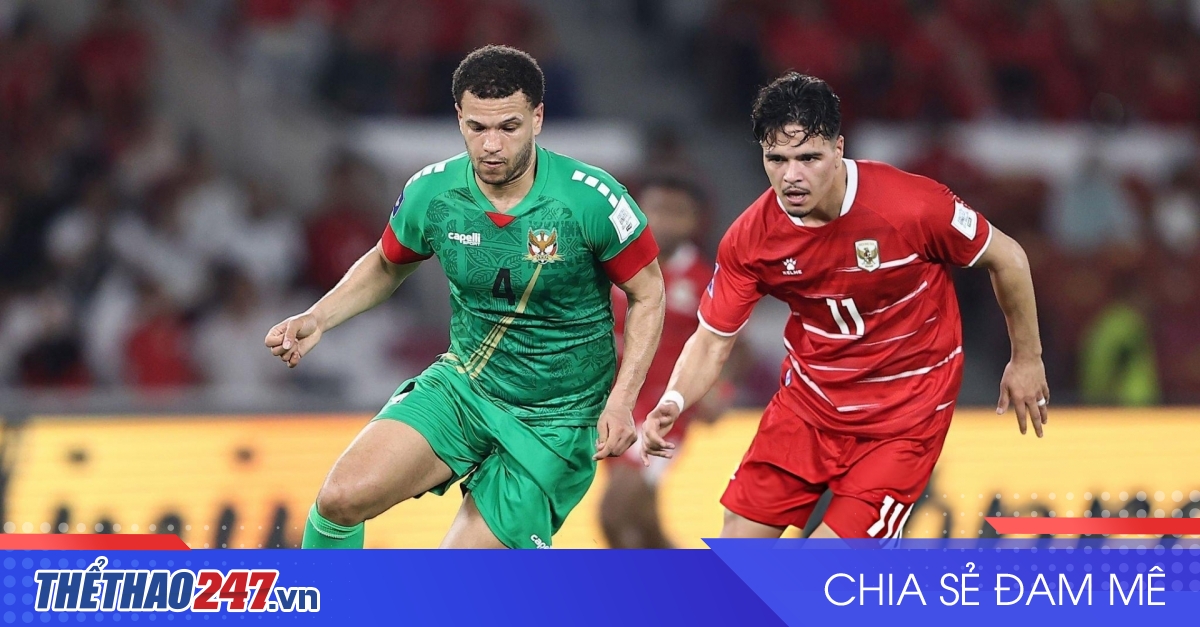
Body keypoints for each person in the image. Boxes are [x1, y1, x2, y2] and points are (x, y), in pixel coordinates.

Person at [265, 45, 665, 549]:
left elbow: (649, 293)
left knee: (455, 577)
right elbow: (388, 262)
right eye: (477, 127)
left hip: (557, 418)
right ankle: (330, 596)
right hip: (464, 387)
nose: (491, 144)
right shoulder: (433, 193)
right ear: (459, 118)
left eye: (509, 127)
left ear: (538, 118)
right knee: (339, 500)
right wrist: (319, 317)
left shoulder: (591, 200)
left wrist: (623, 400)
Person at [641, 73, 1048, 540]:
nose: (792, 177)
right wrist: (673, 400)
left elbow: (1008, 258)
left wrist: (1027, 358)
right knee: (737, 550)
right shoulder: (752, 238)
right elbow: (713, 340)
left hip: (902, 421)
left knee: (823, 569)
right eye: (777, 159)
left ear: (838, 149)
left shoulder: (911, 206)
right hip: (808, 407)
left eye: (808, 158)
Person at [599, 175, 735, 548]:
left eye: (678, 213)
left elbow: (733, 344)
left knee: (614, 510)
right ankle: (686, 579)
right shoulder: (611, 266)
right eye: (657, 209)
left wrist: (720, 387)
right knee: (639, 520)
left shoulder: (705, 279)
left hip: (663, 409)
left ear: (696, 221)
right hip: (612, 403)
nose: (665, 221)